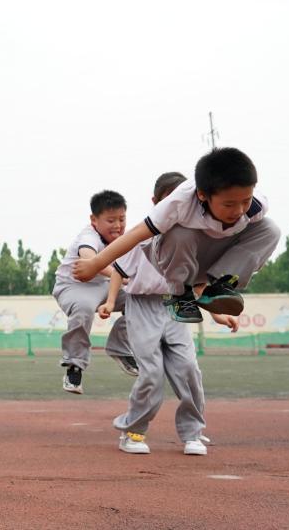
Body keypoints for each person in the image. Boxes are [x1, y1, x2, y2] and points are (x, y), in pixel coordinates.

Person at [99, 171, 239, 456]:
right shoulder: (142, 237)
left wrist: (217, 314)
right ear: (156, 203)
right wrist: (110, 301)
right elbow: (119, 270)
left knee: (188, 368)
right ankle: (134, 431)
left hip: (176, 305)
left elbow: (198, 287)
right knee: (151, 372)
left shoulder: (194, 241)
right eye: (169, 202)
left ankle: (192, 433)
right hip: (143, 306)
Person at [74, 147, 280, 323]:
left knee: (269, 229)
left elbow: (257, 239)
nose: (238, 210)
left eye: (245, 200)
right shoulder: (179, 203)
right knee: (181, 233)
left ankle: (221, 284)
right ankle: (181, 295)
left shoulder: (255, 207)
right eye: (228, 204)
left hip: (210, 260)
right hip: (171, 259)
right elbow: (136, 234)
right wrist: (95, 264)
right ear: (202, 194)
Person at [52, 190, 137, 394]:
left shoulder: (125, 238)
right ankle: (75, 365)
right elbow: (90, 260)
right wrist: (122, 276)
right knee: (84, 308)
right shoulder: (88, 236)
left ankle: (120, 347)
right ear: (94, 220)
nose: (117, 225)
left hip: (105, 284)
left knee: (142, 300)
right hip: (74, 286)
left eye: (121, 219)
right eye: (110, 220)